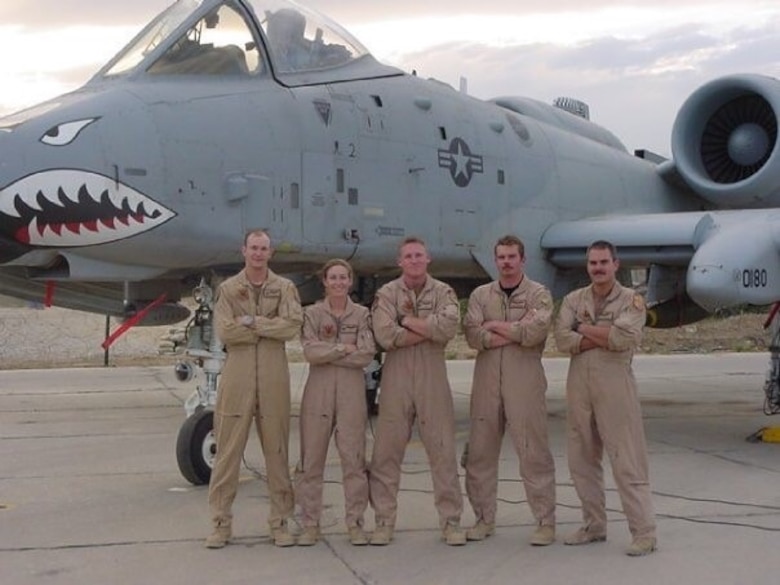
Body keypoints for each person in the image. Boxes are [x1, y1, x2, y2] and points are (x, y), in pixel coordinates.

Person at [554, 240, 657, 556]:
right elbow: (561, 338)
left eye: (603, 262)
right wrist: (601, 334)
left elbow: (624, 337)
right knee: (581, 459)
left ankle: (644, 533)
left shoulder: (631, 301)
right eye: (593, 263)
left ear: (616, 264)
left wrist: (582, 328)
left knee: (626, 459)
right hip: (579, 385)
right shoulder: (574, 298)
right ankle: (594, 525)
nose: (597, 268)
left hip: (615, 386)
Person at [205, 229, 303, 549]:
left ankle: (280, 522)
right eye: (253, 248)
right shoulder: (229, 289)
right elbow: (225, 331)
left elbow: (292, 326)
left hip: (274, 373)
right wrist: (265, 327)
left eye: (264, 249)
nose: (258, 254)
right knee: (228, 452)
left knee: (277, 451)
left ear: (270, 253)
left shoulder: (284, 287)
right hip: (238, 373)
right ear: (243, 250)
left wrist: (253, 323)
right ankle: (220, 523)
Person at [368, 237, 466, 546]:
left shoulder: (443, 292)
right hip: (396, 377)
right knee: (386, 452)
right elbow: (385, 336)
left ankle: (450, 522)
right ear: (400, 262)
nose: (413, 260)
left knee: (442, 450)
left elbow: (449, 328)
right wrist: (427, 330)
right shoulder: (386, 294)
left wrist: (406, 321)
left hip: (432, 376)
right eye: (408, 256)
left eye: (418, 255)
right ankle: (384, 521)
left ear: (428, 259)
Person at [463, 235, 557, 545]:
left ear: (522, 260)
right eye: (501, 257)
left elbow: (535, 332)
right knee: (480, 453)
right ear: (495, 260)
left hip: (524, 381)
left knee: (533, 453)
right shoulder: (480, 295)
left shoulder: (538, 294)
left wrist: (494, 326)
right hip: (486, 382)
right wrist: (513, 331)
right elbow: (473, 335)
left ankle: (545, 522)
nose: (506, 262)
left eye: (511, 257)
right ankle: (483, 519)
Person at [294, 259, 376, 546]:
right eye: (334, 278)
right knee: (311, 460)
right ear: (325, 282)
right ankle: (309, 524)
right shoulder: (313, 313)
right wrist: (343, 348)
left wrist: (330, 352)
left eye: (344, 278)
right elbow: (310, 352)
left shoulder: (363, 314)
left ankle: (355, 523)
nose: (339, 282)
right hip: (319, 389)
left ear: (350, 281)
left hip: (352, 391)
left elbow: (366, 354)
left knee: (353, 459)